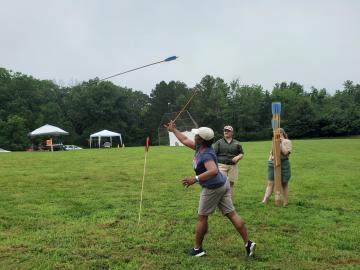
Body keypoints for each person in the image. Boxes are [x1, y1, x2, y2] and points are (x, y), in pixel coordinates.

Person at [164, 120, 256, 257]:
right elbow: (184, 139)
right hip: (223, 183)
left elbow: (213, 170)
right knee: (231, 214)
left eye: (197, 135)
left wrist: (194, 179)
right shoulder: (199, 147)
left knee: (202, 218)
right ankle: (248, 243)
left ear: (201, 139)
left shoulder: (206, 154)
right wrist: (174, 130)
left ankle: (197, 249)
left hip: (213, 188)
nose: (194, 136)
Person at [261, 128, 292, 206]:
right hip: (273, 163)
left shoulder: (287, 141)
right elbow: (272, 153)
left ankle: (285, 202)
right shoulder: (274, 141)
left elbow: (285, 153)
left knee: (284, 183)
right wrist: (270, 159)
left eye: (279, 133)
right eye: (275, 133)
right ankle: (265, 200)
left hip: (284, 163)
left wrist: (280, 142)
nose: (277, 134)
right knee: (270, 183)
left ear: (282, 133)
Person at [213, 125, 244, 198]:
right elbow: (213, 154)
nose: (226, 132)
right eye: (225, 130)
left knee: (231, 184)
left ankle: (229, 202)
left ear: (232, 133)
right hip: (221, 165)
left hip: (233, 166)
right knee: (222, 183)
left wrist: (238, 157)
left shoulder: (237, 143)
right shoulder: (218, 142)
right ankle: (220, 201)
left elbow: (241, 153)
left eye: (228, 131)